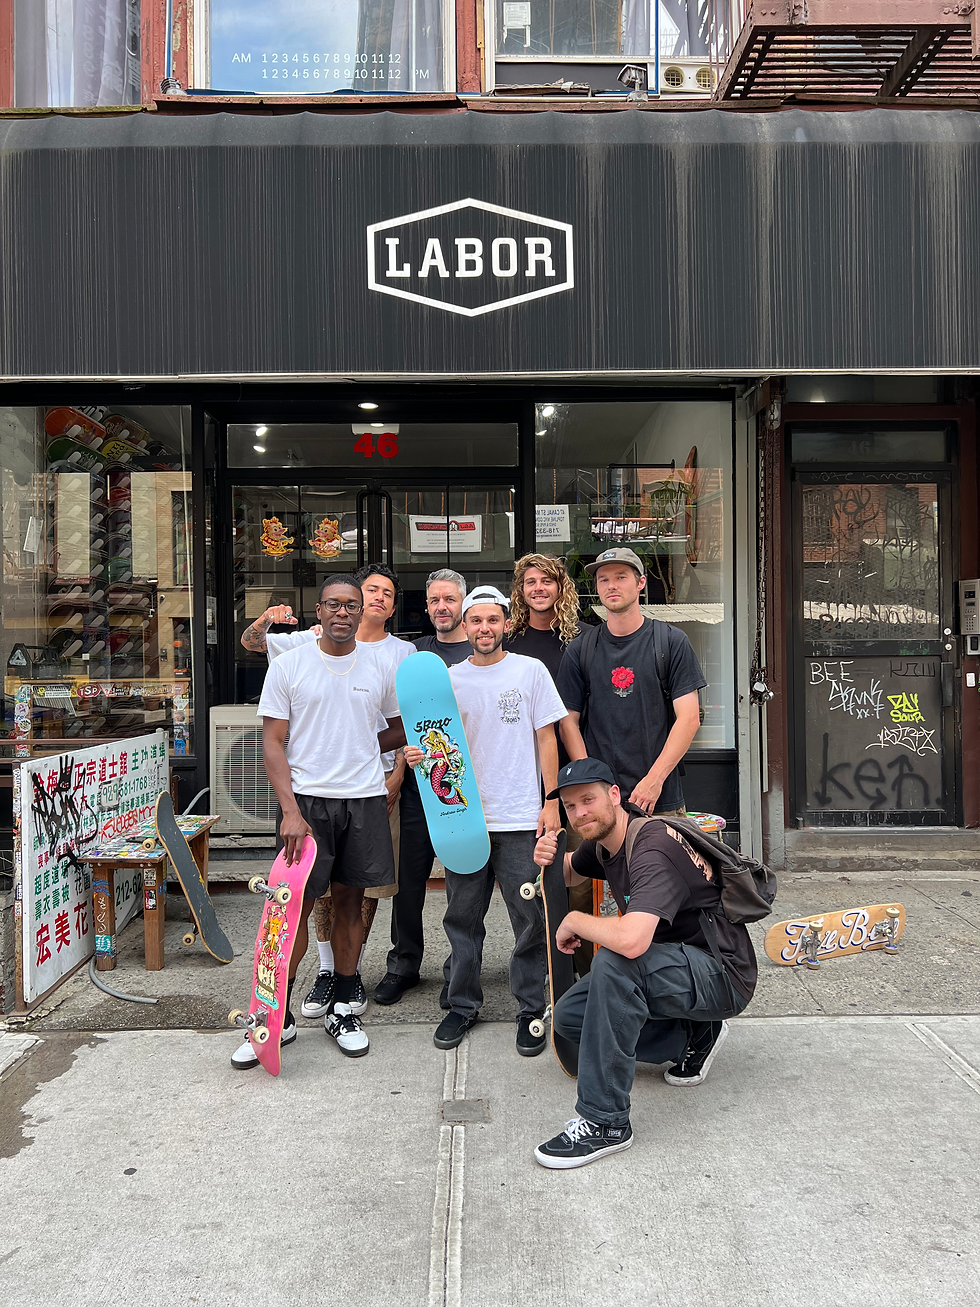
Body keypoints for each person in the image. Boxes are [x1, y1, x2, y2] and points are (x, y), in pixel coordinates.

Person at [531, 759, 756, 1168]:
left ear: (614, 796)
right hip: (676, 966)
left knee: (616, 963)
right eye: (570, 806)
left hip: (721, 974)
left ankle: (605, 1122)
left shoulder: (651, 846)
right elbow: (567, 874)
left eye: (588, 800)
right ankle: (694, 1035)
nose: (580, 812)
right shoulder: (605, 841)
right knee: (570, 1017)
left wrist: (577, 920)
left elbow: (633, 942)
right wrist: (549, 854)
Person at [232, 575, 401, 1068]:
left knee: (350, 906)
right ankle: (275, 1019)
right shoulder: (291, 664)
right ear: (320, 610)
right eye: (334, 604)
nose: (344, 613)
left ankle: (344, 1008)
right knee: (291, 911)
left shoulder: (379, 665)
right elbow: (272, 742)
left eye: (351, 605)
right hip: (307, 804)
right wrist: (289, 810)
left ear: (361, 610)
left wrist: (361, 745)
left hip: (365, 800)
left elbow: (395, 724)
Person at [404, 585, 567, 1057]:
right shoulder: (448, 679)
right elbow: (433, 743)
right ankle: (462, 1004)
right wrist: (417, 754)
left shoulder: (530, 671)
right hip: (464, 819)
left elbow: (547, 740)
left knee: (528, 919)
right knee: (461, 917)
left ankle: (530, 1008)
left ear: (505, 623)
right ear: (465, 624)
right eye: (476, 621)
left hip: (520, 817)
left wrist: (551, 801)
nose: (484, 629)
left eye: (493, 620)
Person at [372, 568, 473, 1006]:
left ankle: (460, 970)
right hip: (417, 790)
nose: (442, 607)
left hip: (465, 794)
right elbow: (399, 720)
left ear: (464, 604)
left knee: (464, 886)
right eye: (434, 600)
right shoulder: (412, 654)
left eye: (449, 599)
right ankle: (404, 965)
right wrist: (398, 768)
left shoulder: (484, 648)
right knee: (407, 885)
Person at [557, 548, 707, 818]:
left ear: (640, 583)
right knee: (593, 862)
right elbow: (568, 722)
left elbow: (689, 718)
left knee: (661, 861)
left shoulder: (670, 642)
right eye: (603, 579)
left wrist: (655, 780)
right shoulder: (580, 650)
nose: (611, 585)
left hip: (659, 798)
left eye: (621, 577)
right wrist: (590, 780)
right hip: (599, 803)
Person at [502, 553, 580, 681]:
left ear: (561, 588)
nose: (538, 588)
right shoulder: (507, 641)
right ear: (521, 590)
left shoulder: (583, 639)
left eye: (547, 581)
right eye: (531, 582)